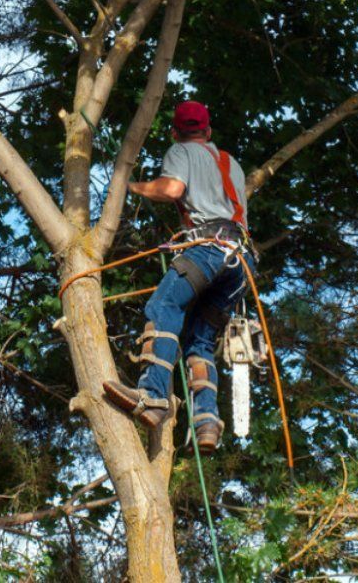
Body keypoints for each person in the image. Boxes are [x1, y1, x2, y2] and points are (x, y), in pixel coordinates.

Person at [102, 101, 255, 455]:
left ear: (175, 132)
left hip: (209, 249)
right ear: (209, 132)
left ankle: (153, 396)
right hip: (242, 262)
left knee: (164, 305)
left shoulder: (180, 150)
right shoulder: (231, 163)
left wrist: (133, 186)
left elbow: (172, 190)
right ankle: (206, 423)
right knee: (200, 342)